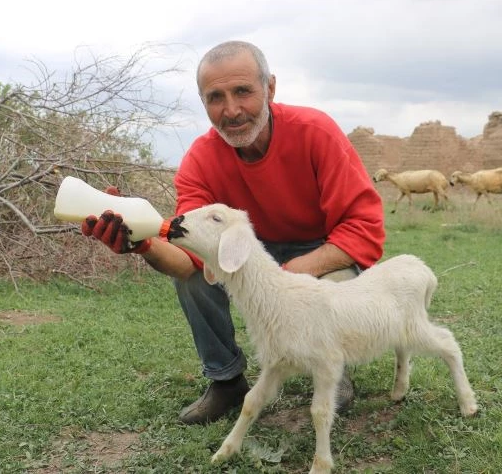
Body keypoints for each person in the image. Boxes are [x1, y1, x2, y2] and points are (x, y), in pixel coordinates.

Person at [81, 40, 385, 424]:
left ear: (270, 88)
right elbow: (187, 258)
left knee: (339, 280)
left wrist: (287, 275)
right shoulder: (199, 161)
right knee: (193, 281)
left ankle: (331, 371)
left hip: (316, 247)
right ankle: (226, 380)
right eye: (215, 97)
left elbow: (365, 227)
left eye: (243, 91)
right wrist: (142, 245)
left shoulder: (316, 132)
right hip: (241, 252)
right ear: (203, 101)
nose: (231, 110)